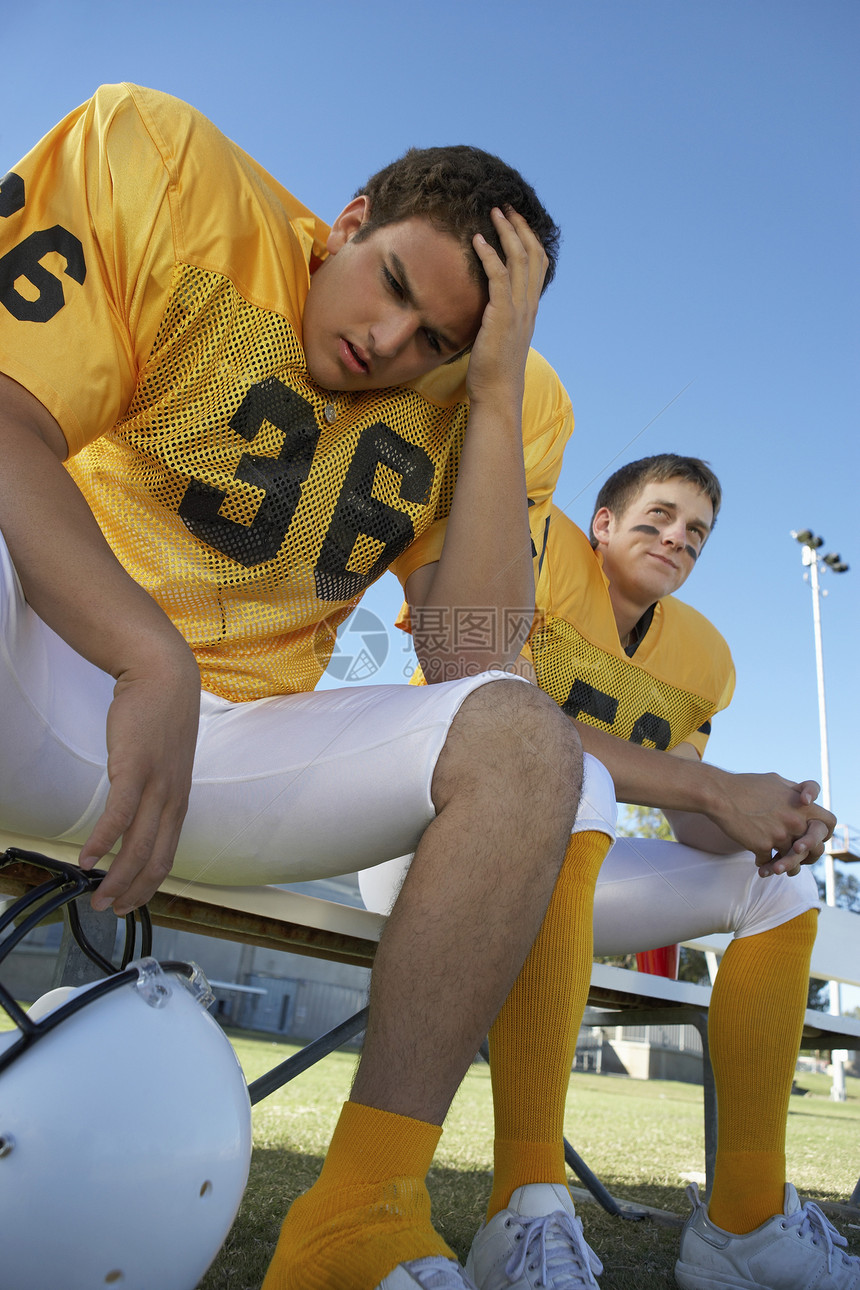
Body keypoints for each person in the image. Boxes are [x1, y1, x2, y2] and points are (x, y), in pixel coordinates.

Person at [0, 83, 604, 1290]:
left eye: (437, 341)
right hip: (54, 672)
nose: (391, 346)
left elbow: (473, 662)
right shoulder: (163, 164)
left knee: (525, 743)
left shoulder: (501, 400)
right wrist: (143, 650)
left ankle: (357, 1214)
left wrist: (487, 394)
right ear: (348, 216)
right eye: (391, 286)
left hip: (238, 759)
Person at [364, 454, 850, 1290]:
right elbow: (496, 707)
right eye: (658, 516)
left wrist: (765, 822)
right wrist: (713, 786)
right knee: (563, 776)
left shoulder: (701, 656)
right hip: (425, 842)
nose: (677, 538)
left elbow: (693, 818)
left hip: (563, 869)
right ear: (601, 524)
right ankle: (525, 1202)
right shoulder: (537, 549)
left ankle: (743, 1222)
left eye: (696, 533)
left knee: (778, 885)